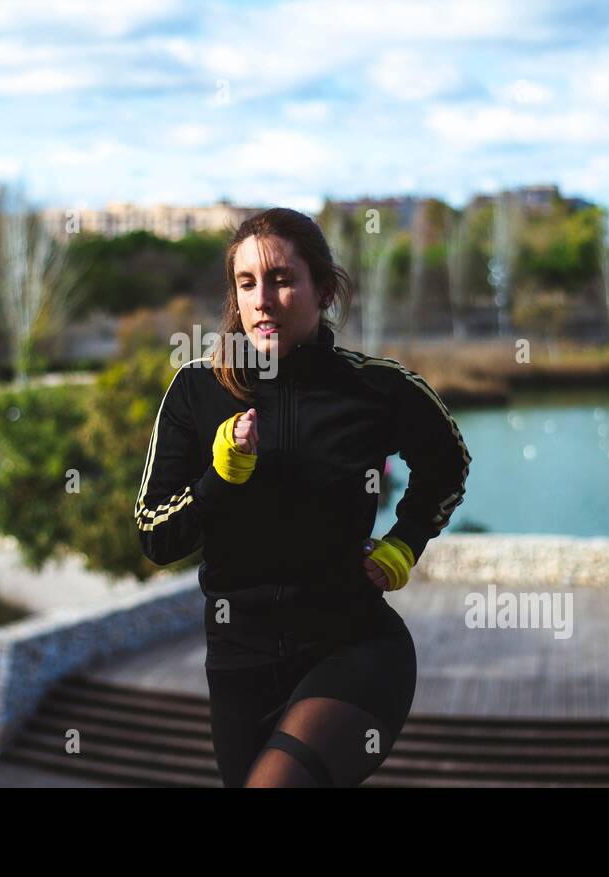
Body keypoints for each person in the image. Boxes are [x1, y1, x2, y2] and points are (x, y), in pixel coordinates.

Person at [134, 207, 472, 787]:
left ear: (325, 289)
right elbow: (157, 536)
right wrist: (223, 475)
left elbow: (448, 467)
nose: (262, 299)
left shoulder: (377, 387)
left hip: (351, 647)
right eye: (247, 283)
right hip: (239, 664)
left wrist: (404, 543)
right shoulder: (196, 390)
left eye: (282, 279)